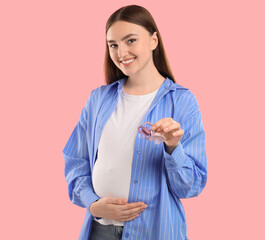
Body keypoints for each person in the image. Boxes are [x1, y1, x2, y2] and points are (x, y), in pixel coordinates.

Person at [63, 4, 207, 240]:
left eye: (131, 41)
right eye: (113, 45)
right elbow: (75, 161)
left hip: (156, 231)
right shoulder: (98, 99)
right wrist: (92, 204)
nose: (121, 53)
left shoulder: (182, 101)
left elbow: (190, 187)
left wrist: (173, 147)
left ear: (153, 40)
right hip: (100, 231)